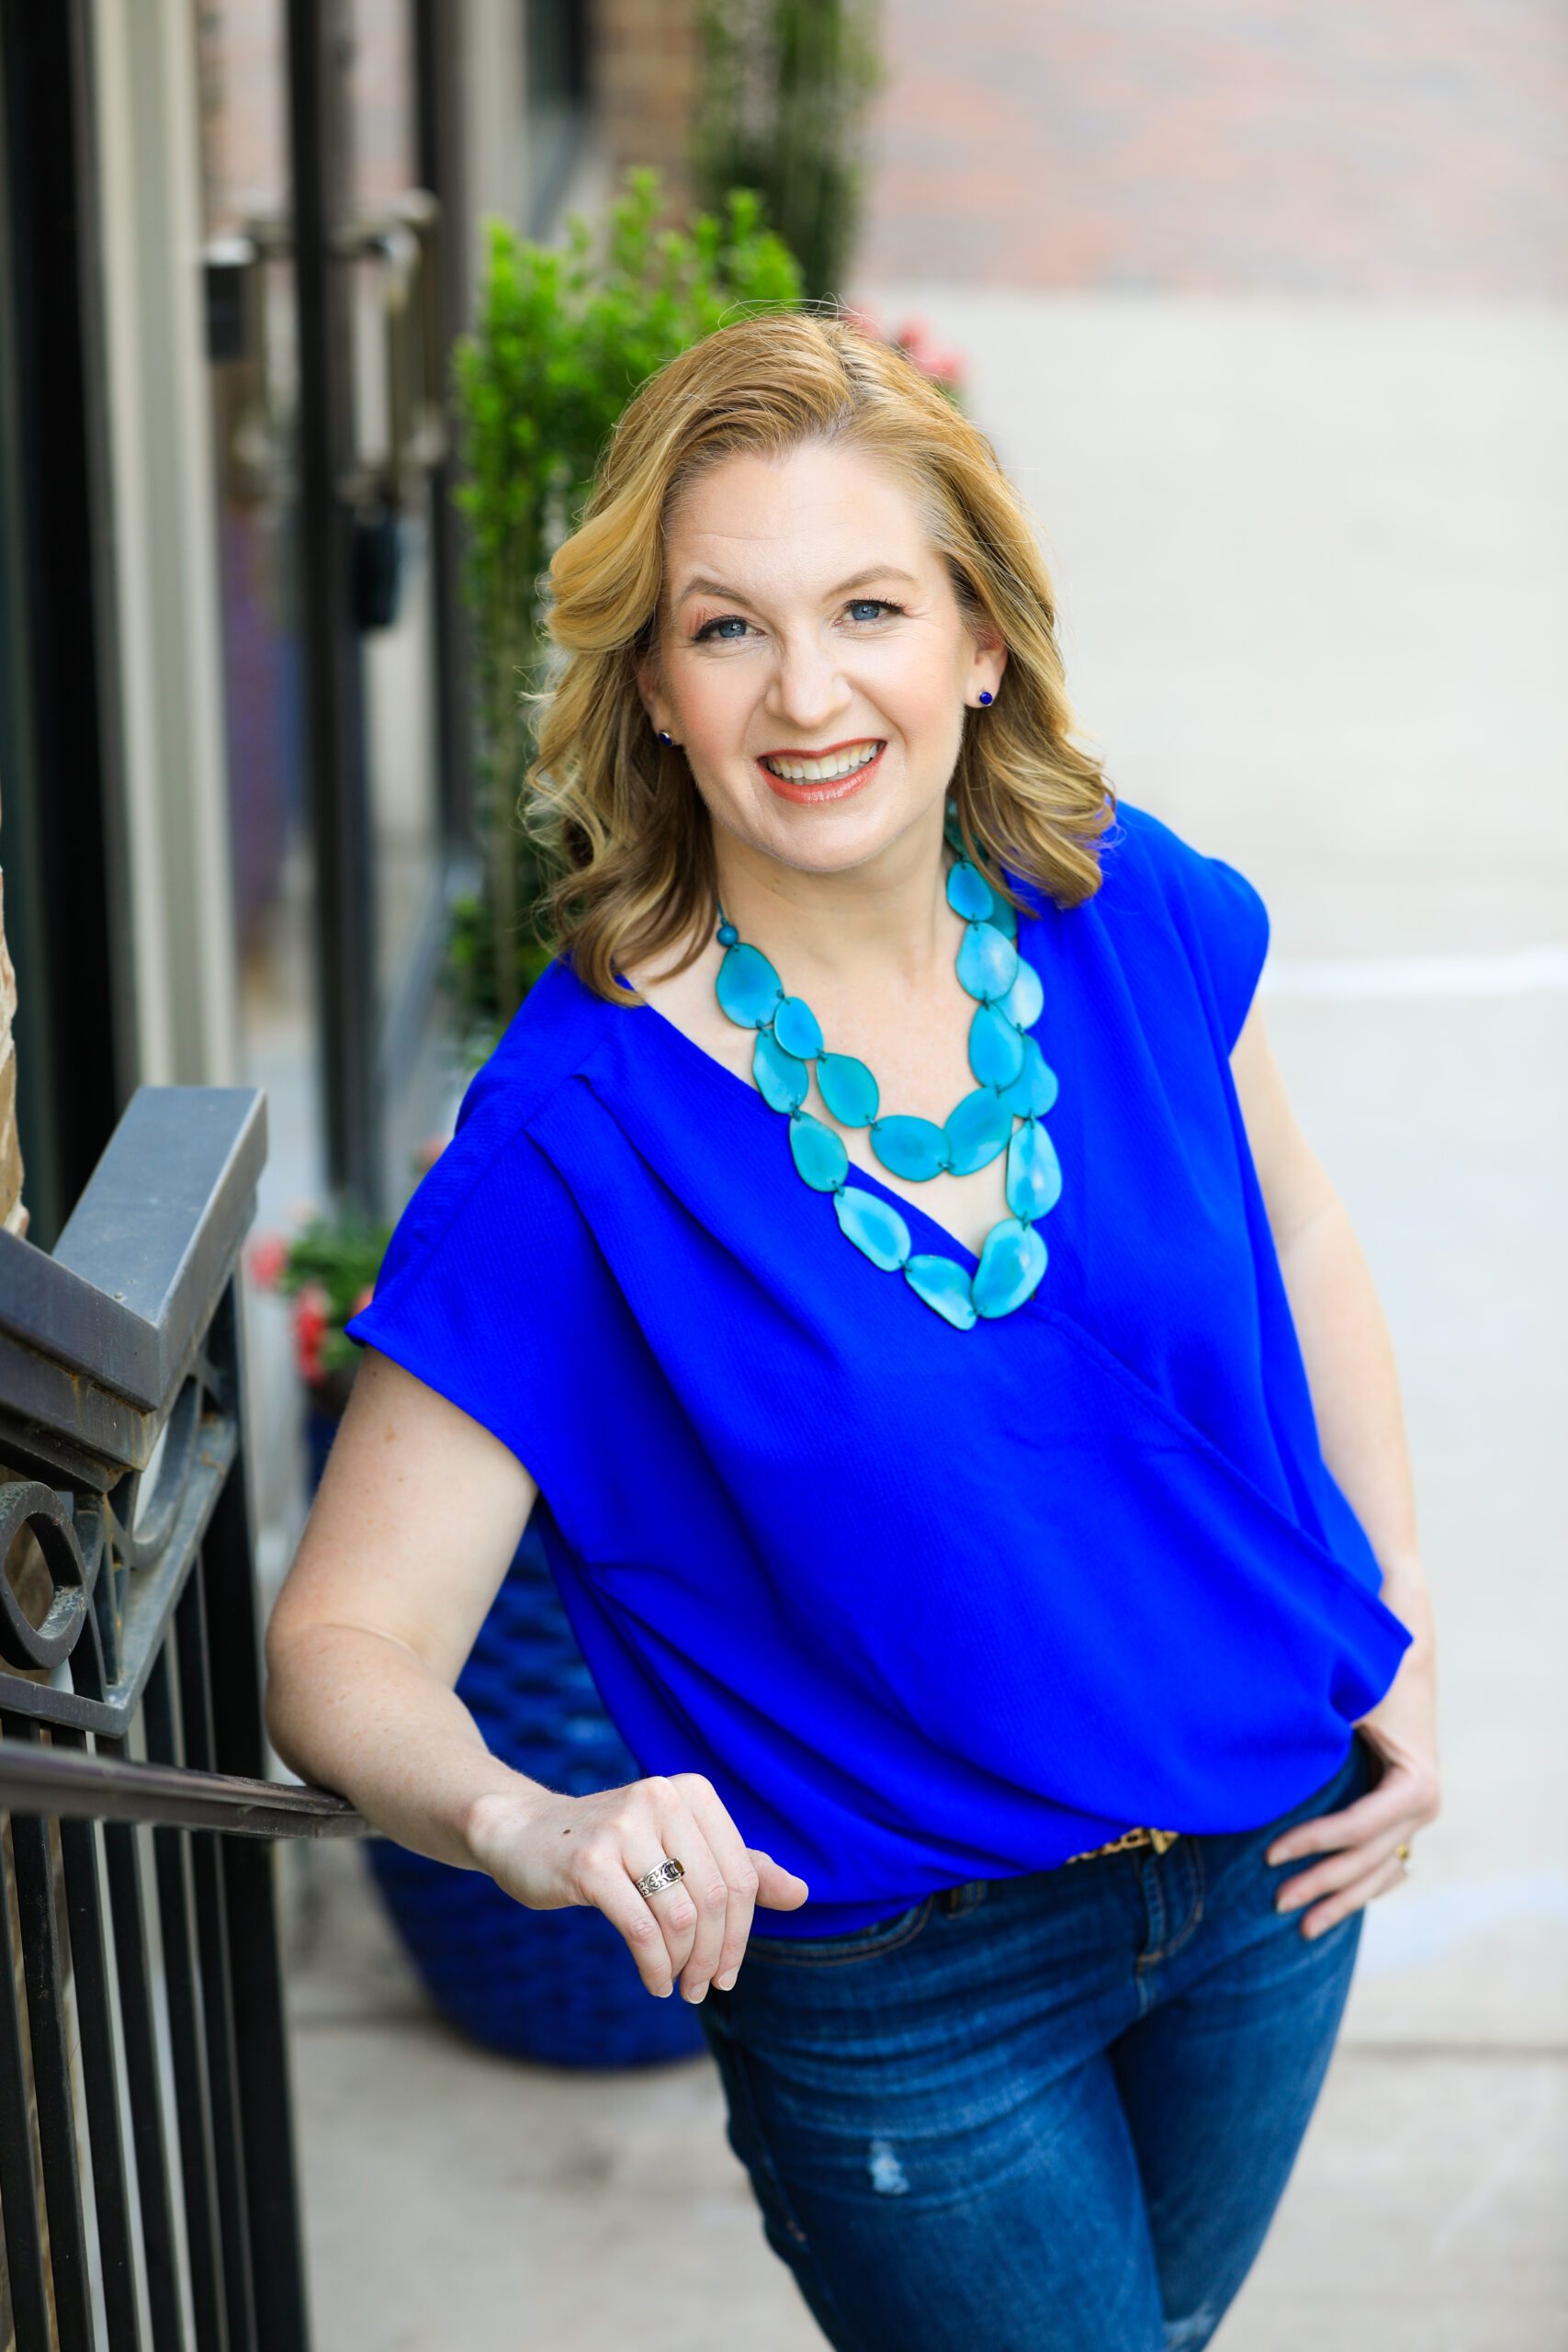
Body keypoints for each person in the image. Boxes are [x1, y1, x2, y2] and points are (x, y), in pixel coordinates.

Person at [265, 314, 1438, 2351]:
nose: (805, 694)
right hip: (912, 1987)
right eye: (724, 629)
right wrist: (535, 1824)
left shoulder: (1124, 903)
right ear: (651, 684)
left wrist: (1396, 1599)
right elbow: (337, 1647)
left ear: (977, 637)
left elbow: (1305, 1234)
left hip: (1265, 1872)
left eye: (867, 607)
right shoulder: (576, 1138)